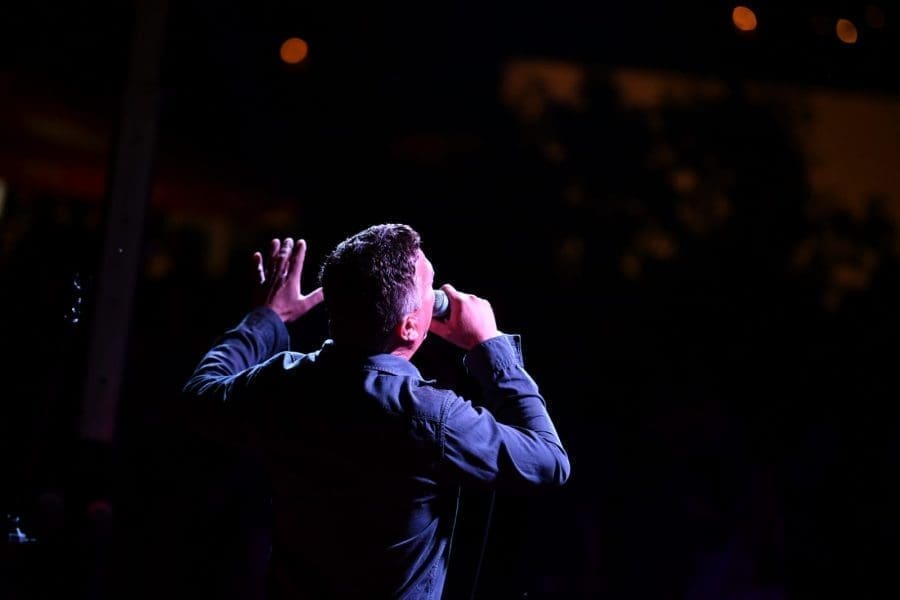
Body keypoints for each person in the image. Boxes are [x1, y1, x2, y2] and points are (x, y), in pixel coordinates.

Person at [182, 223, 570, 599]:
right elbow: (549, 460)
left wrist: (268, 318)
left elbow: (198, 396)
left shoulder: (283, 384)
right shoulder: (430, 417)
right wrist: (490, 346)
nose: (438, 297)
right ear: (408, 327)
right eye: (430, 289)